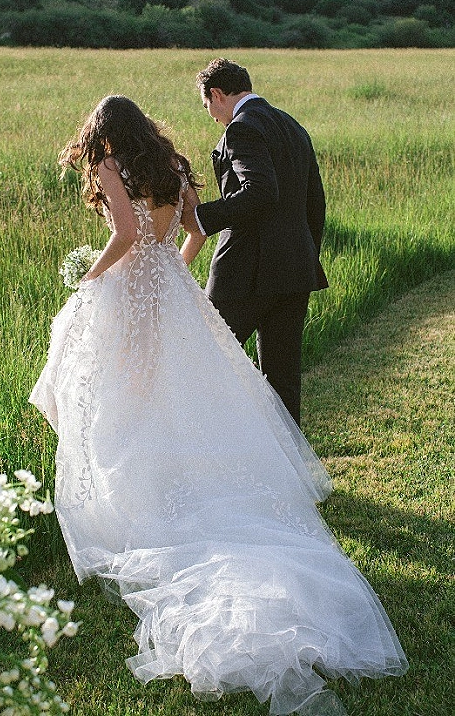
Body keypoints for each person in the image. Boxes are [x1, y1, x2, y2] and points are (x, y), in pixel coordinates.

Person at [30, 95, 407, 716]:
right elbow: (196, 230)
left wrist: (92, 279)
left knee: (125, 391)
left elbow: (125, 234)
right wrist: (170, 271)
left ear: (102, 133)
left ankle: (138, 498)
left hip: (130, 292)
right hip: (171, 291)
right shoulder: (170, 164)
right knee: (174, 393)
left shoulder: (108, 165)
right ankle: (183, 481)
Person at [195, 58, 328, 425]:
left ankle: (214, 447)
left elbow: (261, 191)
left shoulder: (241, 129)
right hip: (295, 270)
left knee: (207, 358)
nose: (213, 117)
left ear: (217, 94)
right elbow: (315, 203)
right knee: (283, 379)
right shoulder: (292, 126)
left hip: (243, 273)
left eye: (207, 106)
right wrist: (305, 254)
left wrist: (201, 218)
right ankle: (289, 461)